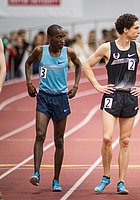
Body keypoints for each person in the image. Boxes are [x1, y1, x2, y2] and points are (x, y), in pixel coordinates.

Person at [83, 13, 140, 194]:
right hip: (111, 97)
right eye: (136, 28)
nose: (139, 31)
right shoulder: (107, 48)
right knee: (107, 138)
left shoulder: (139, 49)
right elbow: (86, 65)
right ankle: (106, 176)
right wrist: (98, 86)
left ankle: (121, 181)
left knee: (125, 141)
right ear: (125, 30)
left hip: (129, 97)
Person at [25, 24, 81, 191]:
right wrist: (29, 83)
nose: (62, 40)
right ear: (50, 38)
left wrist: (76, 86)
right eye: (58, 37)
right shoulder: (40, 51)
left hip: (61, 99)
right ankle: (36, 173)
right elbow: (28, 64)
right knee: (40, 134)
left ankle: (56, 180)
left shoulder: (69, 52)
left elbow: (79, 66)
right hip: (44, 98)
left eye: (63, 36)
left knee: (59, 140)